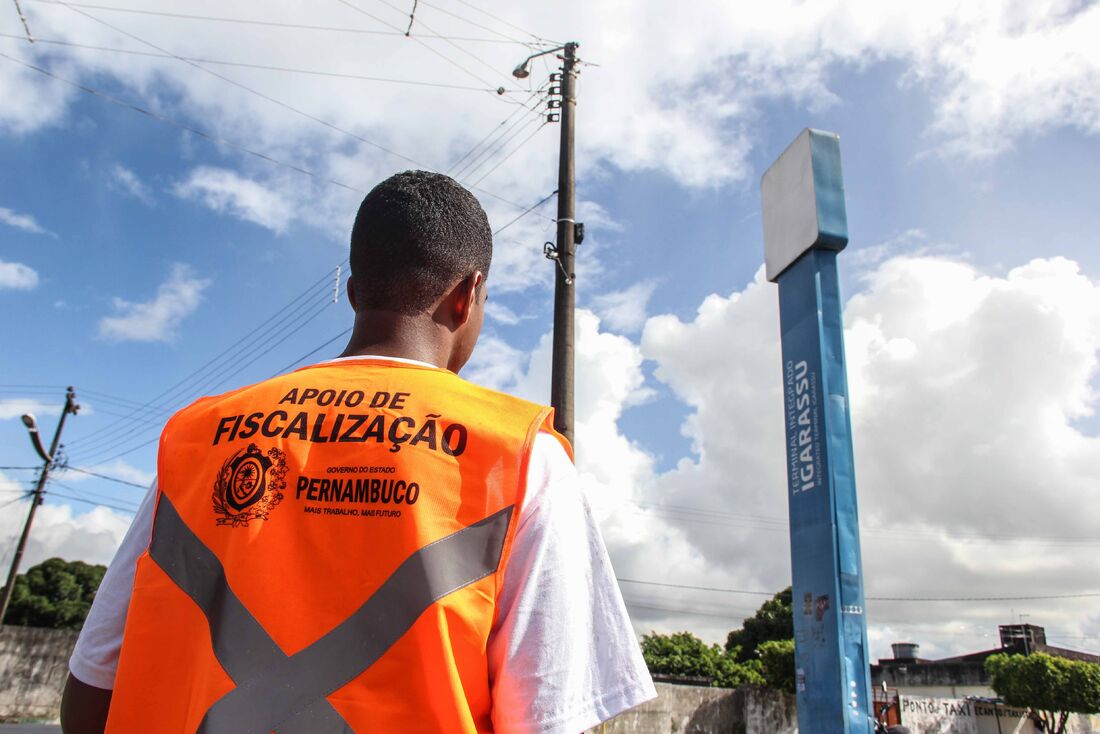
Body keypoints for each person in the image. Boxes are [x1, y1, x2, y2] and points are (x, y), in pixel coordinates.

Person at [61, 170, 655, 733]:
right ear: (467, 295)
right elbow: (548, 717)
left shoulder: (202, 436)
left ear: (352, 292)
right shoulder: (519, 456)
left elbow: (90, 695)